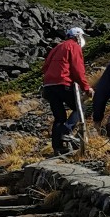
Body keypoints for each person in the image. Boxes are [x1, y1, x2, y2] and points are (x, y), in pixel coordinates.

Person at [42, 25, 94, 155]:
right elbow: (78, 70)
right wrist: (86, 88)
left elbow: (45, 67)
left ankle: (58, 147)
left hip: (49, 86)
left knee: (59, 116)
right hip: (62, 83)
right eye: (82, 36)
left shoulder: (57, 47)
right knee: (79, 108)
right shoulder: (74, 46)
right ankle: (67, 132)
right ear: (77, 36)